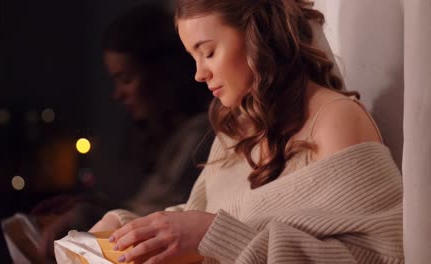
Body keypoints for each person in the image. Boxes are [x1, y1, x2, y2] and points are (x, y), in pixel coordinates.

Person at [87, 0, 404, 263]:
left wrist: (213, 235)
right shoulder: (235, 131)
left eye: (208, 52)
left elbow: (377, 255)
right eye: (193, 57)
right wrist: (124, 229)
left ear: (259, 36)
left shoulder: (335, 119)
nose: (199, 73)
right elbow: (200, 218)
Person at [2, 4, 213, 263]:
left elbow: (164, 215)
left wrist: (88, 214)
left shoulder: (202, 137)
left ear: (163, 73)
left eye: (126, 78)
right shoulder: (145, 138)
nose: (117, 94)